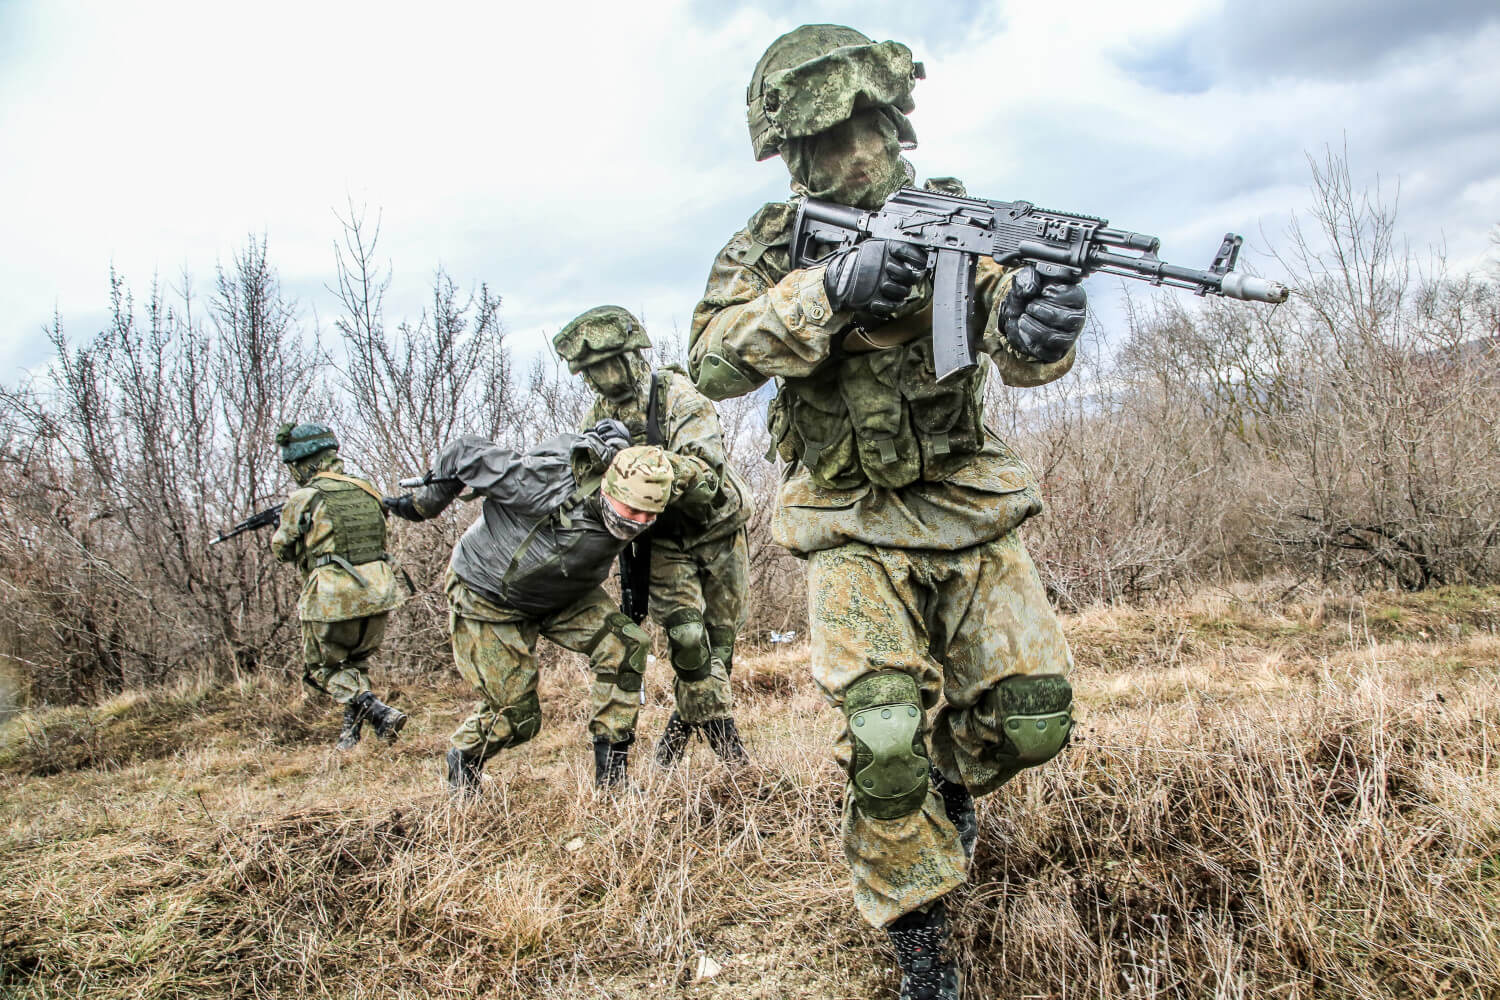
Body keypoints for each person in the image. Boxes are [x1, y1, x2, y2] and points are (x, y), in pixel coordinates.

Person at [687, 25, 1088, 999]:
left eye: (866, 128)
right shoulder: (775, 243)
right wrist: (830, 291)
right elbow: (711, 358)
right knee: (880, 740)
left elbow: (1017, 344)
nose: (854, 155)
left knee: (1034, 719)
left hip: (968, 505)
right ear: (793, 155)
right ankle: (924, 948)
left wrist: (1046, 328)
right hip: (849, 521)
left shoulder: (957, 220)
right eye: (827, 142)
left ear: (893, 119)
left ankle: (944, 781)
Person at [384, 422, 700, 792]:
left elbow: (698, 474)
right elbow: (464, 452)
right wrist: (423, 505)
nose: (638, 523)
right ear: (609, 487)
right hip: (488, 596)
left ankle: (612, 780)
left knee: (626, 646)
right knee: (518, 718)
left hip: (565, 594)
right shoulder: (544, 483)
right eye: (631, 509)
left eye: (649, 516)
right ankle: (464, 757)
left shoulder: (658, 484)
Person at [553, 305, 754, 766]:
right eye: (589, 371)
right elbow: (587, 488)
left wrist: (641, 460)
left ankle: (672, 747)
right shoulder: (596, 418)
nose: (599, 378)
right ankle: (736, 763)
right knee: (687, 638)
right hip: (661, 543)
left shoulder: (678, 396)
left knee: (718, 650)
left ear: (627, 355)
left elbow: (707, 475)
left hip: (717, 531)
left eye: (604, 364)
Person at [270, 422, 407, 750]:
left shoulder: (306, 496)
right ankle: (350, 737)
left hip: (334, 598)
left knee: (323, 668)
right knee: (355, 663)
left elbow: (282, 550)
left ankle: (378, 712)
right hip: (378, 593)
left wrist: (285, 525)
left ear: (306, 463)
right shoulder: (367, 488)